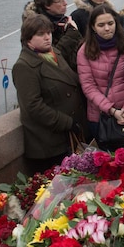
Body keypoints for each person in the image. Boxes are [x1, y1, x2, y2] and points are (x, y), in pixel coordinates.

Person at [13, 14, 87, 173]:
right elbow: (33, 106)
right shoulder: (24, 66)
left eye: (49, 33)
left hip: (68, 139)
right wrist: (67, 122)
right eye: (40, 34)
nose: (47, 38)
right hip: (48, 145)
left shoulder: (55, 54)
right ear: (28, 39)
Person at [77, 5, 124, 150]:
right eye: (101, 25)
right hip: (101, 118)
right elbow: (88, 86)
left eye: (110, 23)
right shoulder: (84, 51)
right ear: (93, 27)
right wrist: (112, 110)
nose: (107, 28)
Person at [22, 0, 83, 70]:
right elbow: (54, 57)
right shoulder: (35, 27)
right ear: (47, 5)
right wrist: (72, 33)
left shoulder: (62, 21)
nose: (65, 3)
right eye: (60, 1)